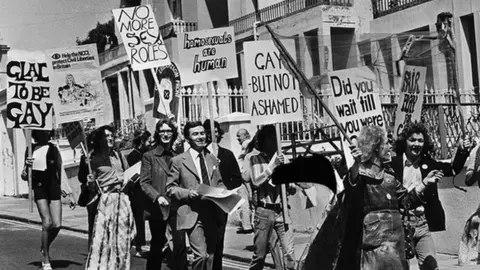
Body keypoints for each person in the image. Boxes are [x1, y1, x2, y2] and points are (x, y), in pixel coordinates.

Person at [392, 122, 471, 269]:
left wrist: (462, 150)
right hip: (399, 225)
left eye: (420, 140)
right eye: (412, 140)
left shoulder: (428, 163)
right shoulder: (393, 165)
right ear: (405, 142)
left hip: (422, 225)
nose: (417, 144)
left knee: (431, 266)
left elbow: (452, 169)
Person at [166, 121, 224, 270]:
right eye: (195, 134)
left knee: (211, 256)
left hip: (212, 212)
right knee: (201, 255)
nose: (200, 137)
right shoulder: (178, 161)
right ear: (188, 138)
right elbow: (170, 188)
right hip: (192, 213)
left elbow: (219, 182)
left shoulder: (212, 158)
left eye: (202, 133)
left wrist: (225, 193)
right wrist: (187, 193)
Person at [81, 125, 135, 270]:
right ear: (100, 139)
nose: (110, 138)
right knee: (104, 239)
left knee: (123, 239)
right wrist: (90, 182)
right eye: (107, 136)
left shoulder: (119, 155)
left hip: (122, 199)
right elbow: (91, 188)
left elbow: (129, 174)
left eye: (112, 136)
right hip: (105, 200)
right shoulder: (92, 159)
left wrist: (128, 179)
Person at [21, 130, 75, 270]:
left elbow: (60, 170)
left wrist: (69, 193)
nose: (44, 133)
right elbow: (24, 175)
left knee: (57, 224)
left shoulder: (53, 149)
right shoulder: (30, 149)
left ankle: (44, 246)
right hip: (39, 188)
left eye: (46, 131)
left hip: (53, 187)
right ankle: (46, 259)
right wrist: (27, 167)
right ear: (36, 134)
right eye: (41, 131)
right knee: (47, 222)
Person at [248, 125, 296, 270]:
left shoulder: (283, 158)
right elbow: (256, 181)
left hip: (282, 211)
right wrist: (273, 166)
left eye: (276, 138)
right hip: (264, 212)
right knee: (260, 255)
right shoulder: (255, 159)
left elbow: (292, 188)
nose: (275, 141)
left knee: (289, 254)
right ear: (263, 141)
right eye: (271, 138)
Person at [203, 120, 243, 270]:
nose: (213, 135)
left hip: (221, 205)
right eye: (209, 132)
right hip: (203, 204)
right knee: (205, 246)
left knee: (218, 242)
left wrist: (225, 188)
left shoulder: (227, 154)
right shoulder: (200, 155)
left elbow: (237, 178)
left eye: (215, 131)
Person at [140, 120, 179, 270]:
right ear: (157, 133)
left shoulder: (177, 156)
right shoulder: (149, 156)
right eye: (162, 131)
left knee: (177, 246)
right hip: (158, 208)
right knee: (157, 245)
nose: (166, 134)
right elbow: (144, 183)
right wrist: (157, 197)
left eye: (169, 131)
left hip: (176, 206)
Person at [127, 129, 152, 258]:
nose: (150, 142)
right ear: (142, 141)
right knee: (139, 220)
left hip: (149, 190)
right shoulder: (132, 156)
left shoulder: (149, 154)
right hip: (137, 192)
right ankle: (138, 246)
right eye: (148, 140)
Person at [236, 128, 254, 234]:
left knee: (244, 202)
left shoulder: (246, 144)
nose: (238, 138)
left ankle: (247, 226)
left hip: (244, 177)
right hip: (246, 177)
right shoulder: (248, 145)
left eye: (239, 136)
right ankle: (247, 225)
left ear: (246, 136)